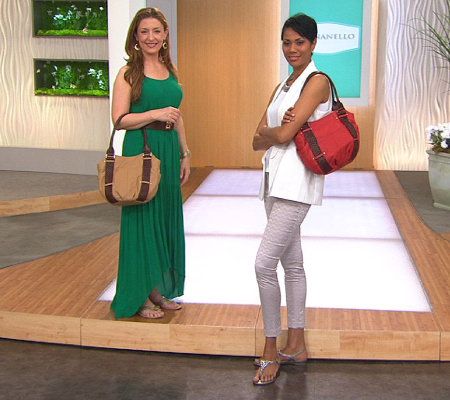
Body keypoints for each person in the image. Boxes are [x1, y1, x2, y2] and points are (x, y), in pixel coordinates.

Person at [252, 13, 331, 385]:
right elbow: (256, 138)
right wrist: (276, 130)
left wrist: (277, 132)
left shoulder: (317, 81)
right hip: (273, 180)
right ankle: (297, 343)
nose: (292, 48)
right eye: (287, 42)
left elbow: (281, 136)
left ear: (313, 44)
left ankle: (271, 347)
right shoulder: (282, 85)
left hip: (297, 184)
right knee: (292, 265)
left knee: (263, 265)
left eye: (300, 42)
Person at [110, 7, 190, 319]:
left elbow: (177, 115)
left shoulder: (171, 70)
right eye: (144, 31)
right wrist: (154, 113)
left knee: (164, 219)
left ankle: (157, 290)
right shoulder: (128, 73)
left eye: (156, 31)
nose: (151, 37)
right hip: (141, 148)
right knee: (143, 220)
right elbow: (120, 119)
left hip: (168, 148)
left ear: (165, 34)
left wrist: (185, 152)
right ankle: (139, 295)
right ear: (136, 36)